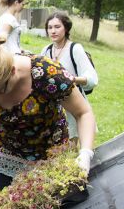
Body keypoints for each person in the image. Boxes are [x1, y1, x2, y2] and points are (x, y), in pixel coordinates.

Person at [0, 35, 96, 209]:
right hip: (8, 157)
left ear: (12, 71)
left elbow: (83, 113)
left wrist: (86, 153)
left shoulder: (47, 73)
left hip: (51, 154)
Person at [41, 11, 98, 142]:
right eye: (50, 27)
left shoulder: (75, 49)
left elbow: (92, 78)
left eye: (57, 27)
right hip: (53, 108)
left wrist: (72, 79)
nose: (53, 31)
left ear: (66, 28)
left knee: (71, 149)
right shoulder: (46, 50)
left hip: (73, 104)